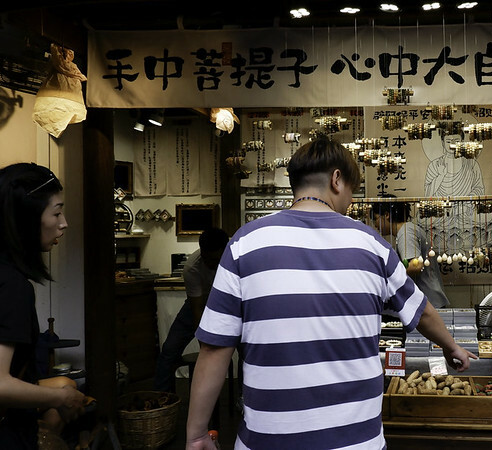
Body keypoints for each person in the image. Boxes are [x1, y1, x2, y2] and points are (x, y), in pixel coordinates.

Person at [186, 137, 475, 450]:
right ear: (337, 180)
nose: (350, 201)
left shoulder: (244, 243)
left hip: (269, 440)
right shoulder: (373, 245)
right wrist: (451, 347)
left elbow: (215, 347)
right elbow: (422, 311)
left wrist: (197, 433)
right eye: (351, 190)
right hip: (356, 441)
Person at [0, 163, 86, 449]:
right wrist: (60, 398)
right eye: (56, 212)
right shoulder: (10, 286)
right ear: (24, 219)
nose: (63, 223)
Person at [154, 227, 230, 393]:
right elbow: (197, 310)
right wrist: (205, 347)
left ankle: (244, 397)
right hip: (200, 302)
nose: (210, 264)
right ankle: (163, 398)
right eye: (207, 259)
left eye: (216, 260)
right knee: (169, 351)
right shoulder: (192, 267)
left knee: (248, 348)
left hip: (230, 303)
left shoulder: (237, 259)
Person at [369, 196, 450, 309]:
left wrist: (387, 280)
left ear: (386, 215)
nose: (375, 225)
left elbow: (415, 265)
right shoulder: (407, 230)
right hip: (429, 301)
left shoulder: (406, 232)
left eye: (376, 219)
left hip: (428, 303)